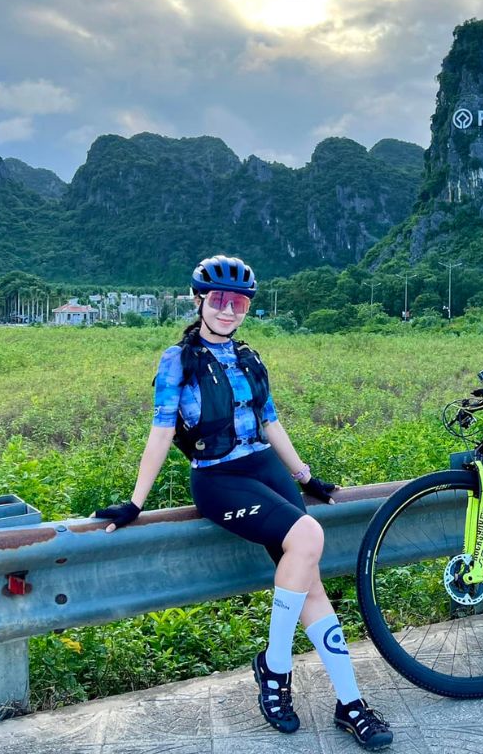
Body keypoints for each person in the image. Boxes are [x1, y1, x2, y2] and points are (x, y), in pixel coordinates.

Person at [92, 255, 393, 751]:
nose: (228, 310)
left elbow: (270, 422)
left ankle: (350, 703)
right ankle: (276, 668)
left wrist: (305, 475)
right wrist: (133, 501)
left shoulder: (251, 358)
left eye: (238, 302)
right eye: (218, 300)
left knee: (310, 580)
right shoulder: (178, 361)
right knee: (310, 536)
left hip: (266, 471)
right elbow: (161, 431)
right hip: (219, 478)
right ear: (199, 302)